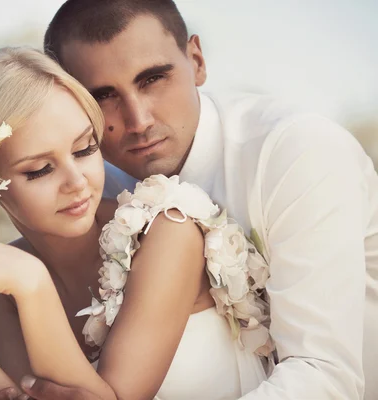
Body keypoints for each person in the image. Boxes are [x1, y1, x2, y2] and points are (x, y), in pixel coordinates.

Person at [23, 0, 377, 399]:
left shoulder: (297, 152)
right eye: (104, 96)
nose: (138, 120)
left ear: (197, 61)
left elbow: (325, 377)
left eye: (152, 79)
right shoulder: (93, 190)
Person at [0, 46, 270, 399]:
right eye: (41, 169)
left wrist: (32, 283)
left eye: (84, 149)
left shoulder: (167, 230)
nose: (77, 182)